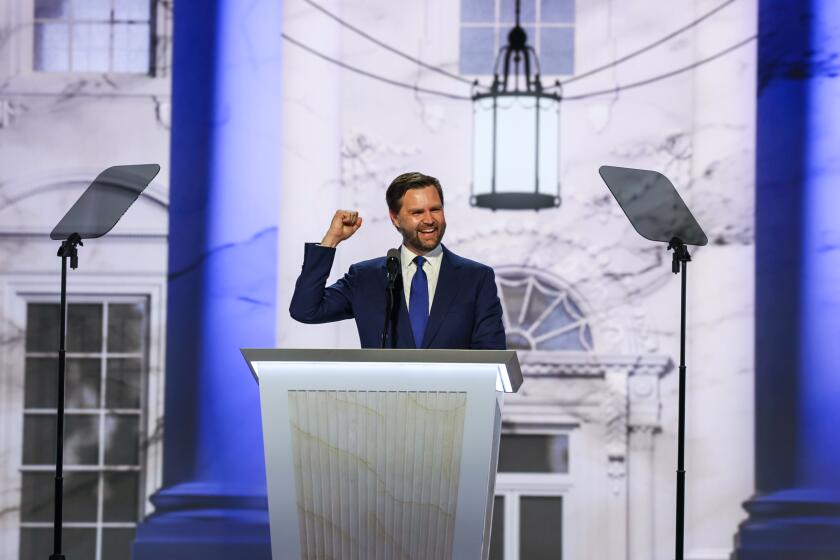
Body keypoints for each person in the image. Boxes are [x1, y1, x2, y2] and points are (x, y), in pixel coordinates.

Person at [289, 172, 506, 349]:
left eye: (435, 209)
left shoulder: (476, 278)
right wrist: (331, 240)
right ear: (395, 218)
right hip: (383, 401)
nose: (429, 220)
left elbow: (491, 357)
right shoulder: (365, 278)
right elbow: (305, 309)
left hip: (455, 401)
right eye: (417, 212)